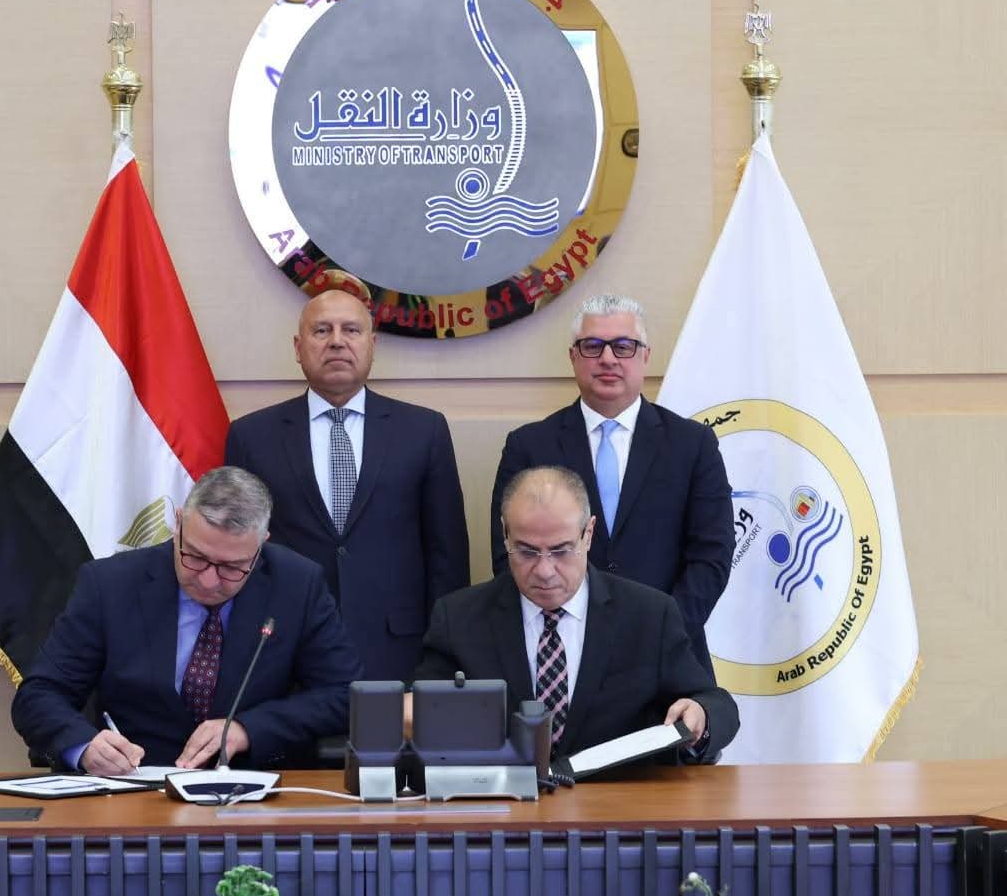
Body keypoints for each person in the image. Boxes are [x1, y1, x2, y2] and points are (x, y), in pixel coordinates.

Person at [11, 467, 361, 775]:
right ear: (178, 523)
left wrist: (248, 729)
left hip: (252, 789)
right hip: (134, 785)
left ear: (260, 545)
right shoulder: (110, 584)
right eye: (195, 556)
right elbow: (39, 695)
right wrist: (84, 746)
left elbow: (346, 695)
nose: (208, 581)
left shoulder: (297, 584)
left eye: (231, 567)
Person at [225, 282, 470, 683]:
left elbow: (447, 555)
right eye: (322, 330)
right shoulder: (252, 437)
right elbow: (237, 553)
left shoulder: (424, 431)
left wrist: (443, 655)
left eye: (351, 330)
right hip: (286, 651)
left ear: (372, 344)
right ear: (298, 347)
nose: (337, 342)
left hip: (400, 650)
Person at [418, 467, 738, 769]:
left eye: (561, 550)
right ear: (505, 534)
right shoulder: (458, 618)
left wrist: (700, 714)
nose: (544, 571)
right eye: (527, 551)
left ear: (588, 534)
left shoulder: (649, 615)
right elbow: (416, 718)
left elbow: (717, 704)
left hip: (617, 802)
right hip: (504, 801)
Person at [488, 293, 734, 667]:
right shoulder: (529, 446)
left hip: (668, 655)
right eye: (592, 346)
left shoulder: (692, 444)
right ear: (573, 356)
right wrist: (565, 630)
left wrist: (661, 635)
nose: (607, 358)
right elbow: (508, 553)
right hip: (560, 655)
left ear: (645, 356)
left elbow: (712, 555)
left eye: (623, 346)